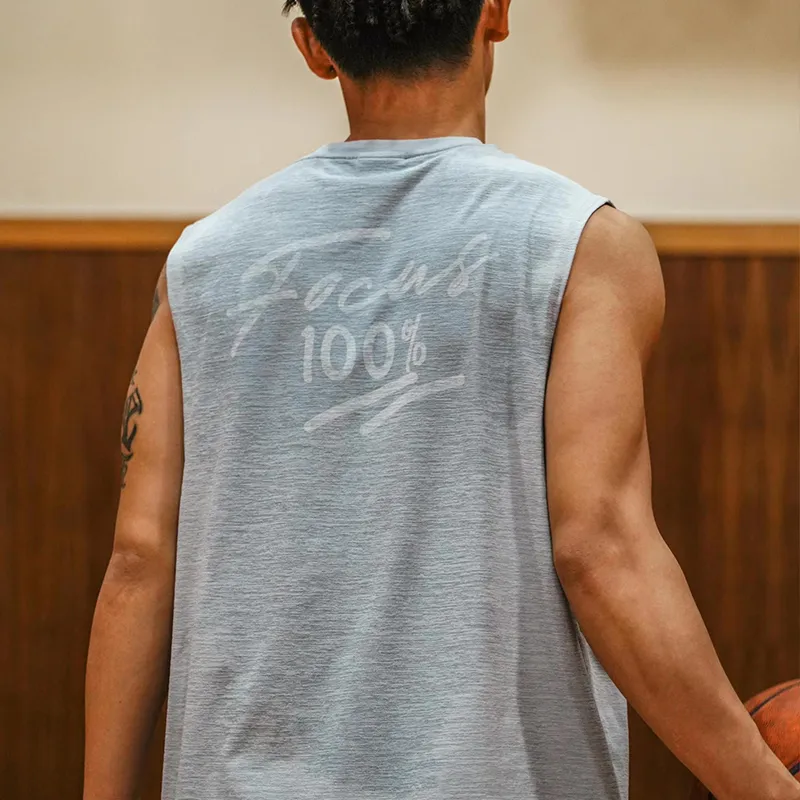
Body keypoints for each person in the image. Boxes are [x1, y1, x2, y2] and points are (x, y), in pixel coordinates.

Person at [83, 2, 800, 799]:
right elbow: (600, 547)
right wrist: (765, 788)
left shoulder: (201, 265)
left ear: (313, 46)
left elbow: (139, 563)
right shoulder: (582, 246)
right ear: (496, 12)